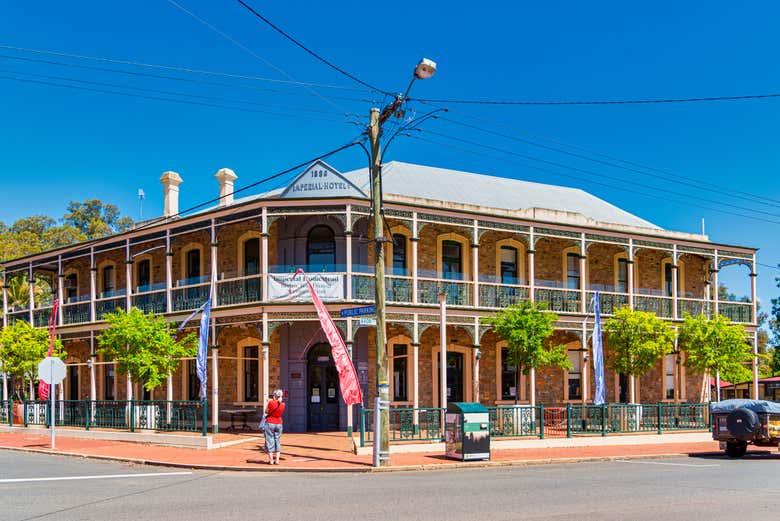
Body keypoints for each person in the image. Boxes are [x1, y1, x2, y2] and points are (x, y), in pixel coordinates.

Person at [263, 389, 285, 464]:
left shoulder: (271, 402)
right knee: (277, 440)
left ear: (275, 396)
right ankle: (277, 460)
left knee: (269, 440)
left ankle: (271, 460)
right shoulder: (283, 404)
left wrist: (269, 402)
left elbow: (266, 411)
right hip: (279, 423)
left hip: (270, 422)